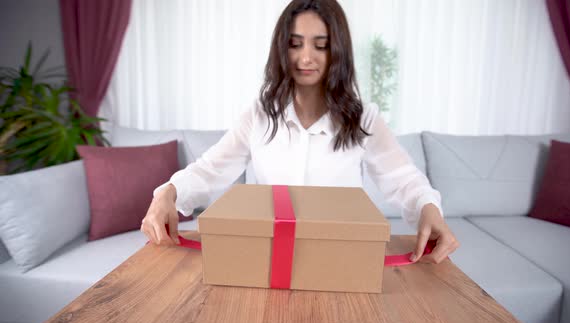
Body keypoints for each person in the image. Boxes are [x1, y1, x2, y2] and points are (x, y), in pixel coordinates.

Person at [141, 0, 459, 264]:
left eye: (320, 46)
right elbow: (209, 170)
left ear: (338, 53)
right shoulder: (259, 115)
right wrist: (167, 193)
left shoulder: (365, 119)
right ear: (282, 49)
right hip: (268, 262)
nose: (306, 57)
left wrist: (429, 208)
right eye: (295, 44)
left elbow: (404, 179)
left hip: (340, 262)